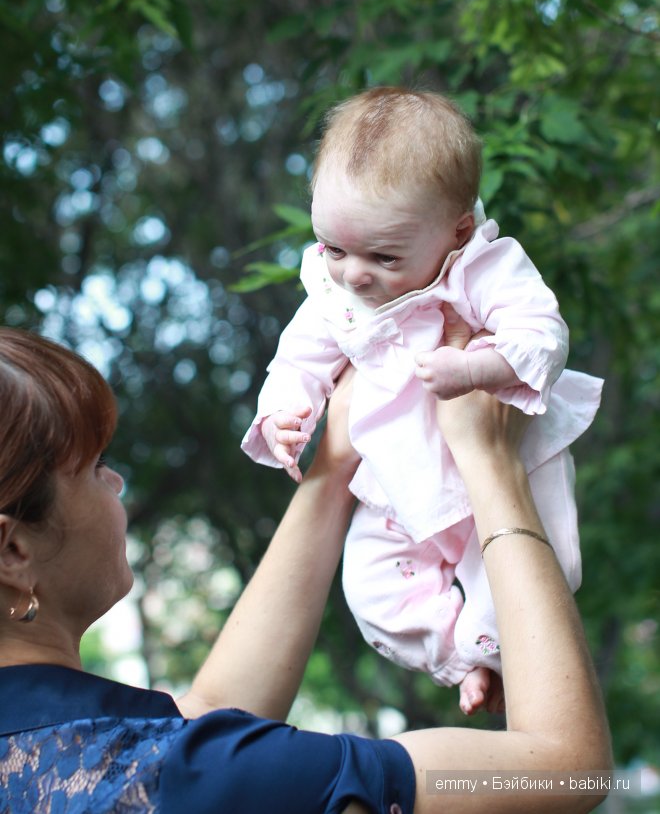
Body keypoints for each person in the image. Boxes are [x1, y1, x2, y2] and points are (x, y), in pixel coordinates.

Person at [0, 321, 611, 813]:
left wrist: (334, 463)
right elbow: (566, 769)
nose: (116, 480)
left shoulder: (78, 757)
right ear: (13, 552)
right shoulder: (177, 774)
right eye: (91, 467)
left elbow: (209, 713)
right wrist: (489, 462)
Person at [241, 86, 604, 713]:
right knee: (371, 590)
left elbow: (543, 334)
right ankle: (458, 656)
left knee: (539, 570)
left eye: (383, 256)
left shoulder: (484, 268)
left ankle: (501, 655)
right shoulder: (336, 293)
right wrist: (283, 412)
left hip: (505, 457)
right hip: (396, 480)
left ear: (457, 228)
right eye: (333, 248)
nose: (354, 275)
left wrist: (477, 366)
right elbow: (298, 355)